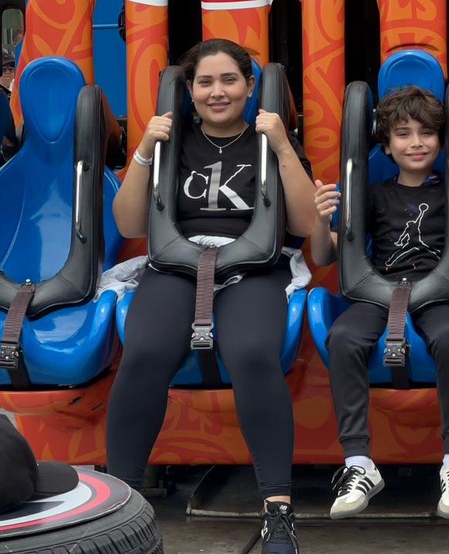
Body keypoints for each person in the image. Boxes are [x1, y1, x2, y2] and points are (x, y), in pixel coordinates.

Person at [107, 38, 316, 554]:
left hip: (253, 266)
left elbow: (307, 224)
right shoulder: (173, 143)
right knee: (146, 354)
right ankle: (120, 508)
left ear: (250, 86)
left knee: (252, 355)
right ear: (190, 90)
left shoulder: (270, 139)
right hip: (176, 264)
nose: (217, 92)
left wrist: (284, 145)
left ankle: (278, 511)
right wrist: (143, 151)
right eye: (205, 82)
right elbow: (131, 222)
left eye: (229, 80)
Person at [310, 86, 449, 521]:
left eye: (426, 133)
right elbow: (328, 254)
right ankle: (358, 463)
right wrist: (319, 220)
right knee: (343, 337)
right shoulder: (374, 193)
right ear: (386, 145)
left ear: (442, 139)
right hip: (381, 291)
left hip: (441, 293)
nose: (416, 143)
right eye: (403, 134)